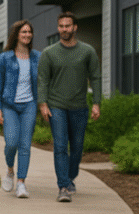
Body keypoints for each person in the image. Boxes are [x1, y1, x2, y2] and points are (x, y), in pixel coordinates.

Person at [37, 12, 101, 203]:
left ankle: (70, 177)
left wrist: (97, 102)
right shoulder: (49, 53)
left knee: (78, 147)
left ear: (75, 27)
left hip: (79, 107)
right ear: (58, 28)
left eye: (67, 26)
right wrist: (43, 104)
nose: (64, 29)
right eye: (61, 26)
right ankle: (63, 186)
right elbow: (42, 80)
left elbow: (96, 77)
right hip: (57, 107)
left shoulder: (87, 51)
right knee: (60, 146)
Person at [0, 20, 40, 199]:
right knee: (11, 143)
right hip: (9, 105)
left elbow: (41, 83)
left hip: (29, 105)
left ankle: (21, 183)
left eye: (29, 32)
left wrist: (42, 104)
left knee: (25, 145)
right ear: (16, 35)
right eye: (23, 32)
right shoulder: (5, 57)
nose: (27, 35)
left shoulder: (37, 57)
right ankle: (10, 171)